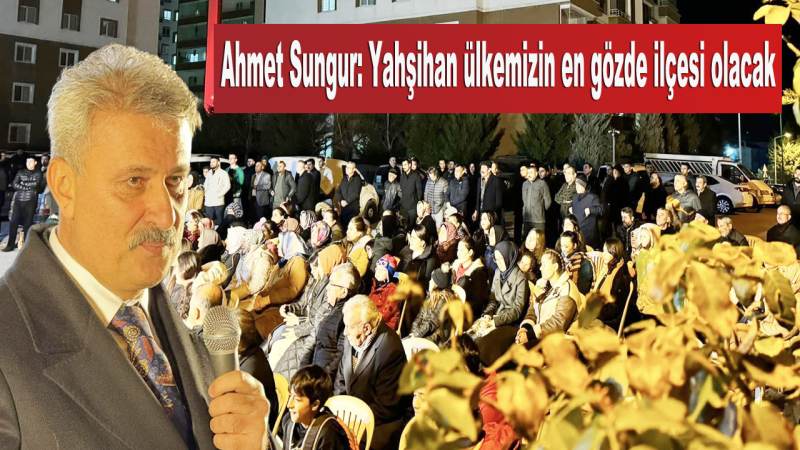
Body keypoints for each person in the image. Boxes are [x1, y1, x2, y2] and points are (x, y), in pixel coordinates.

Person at [0, 44, 270, 449]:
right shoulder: (9, 355)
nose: (167, 214)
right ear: (64, 186)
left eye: (175, 181)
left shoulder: (178, 324)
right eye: (134, 181)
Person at [335, 295, 408, 450]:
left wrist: (353, 422)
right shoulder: (352, 337)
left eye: (349, 327)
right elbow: (340, 381)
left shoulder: (390, 349)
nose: (345, 332)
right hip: (352, 415)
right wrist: (339, 414)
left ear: (366, 329)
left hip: (378, 423)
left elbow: (386, 407)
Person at [278, 365, 355, 450]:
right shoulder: (288, 421)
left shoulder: (328, 434)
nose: (289, 405)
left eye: (297, 400)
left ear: (315, 405)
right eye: (290, 396)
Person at [516, 249, 580, 347]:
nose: (540, 268)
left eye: (544, 265)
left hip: (560, 343)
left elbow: (559, 323)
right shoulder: (542, 285)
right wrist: (525, 328)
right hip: (541, 337)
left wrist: (530, 335)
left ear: (555, 267)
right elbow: (532, 311)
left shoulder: (567, 289)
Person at [594, 238, 636, 332]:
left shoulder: (621, 276)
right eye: (603, 251)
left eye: (606, 252)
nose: (603, 255)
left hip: (609, 321)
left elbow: (615, 309)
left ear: (614, 253)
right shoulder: (608, 267)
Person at [3, 157, 44, 251]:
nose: (29, 163)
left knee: (27, 223)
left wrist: (22, 184)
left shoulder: (38, 173)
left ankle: (26, 246)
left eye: (31, 161)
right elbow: (14, 184)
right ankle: (10, 245)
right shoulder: (20, 172)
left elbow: (36, 184)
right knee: (13, 222)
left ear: (35, 163)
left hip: (31, 201)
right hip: (18, 200)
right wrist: (28, 187)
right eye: (27, 161)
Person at [369, 255, 401, 330]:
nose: (378, 272)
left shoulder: (393, 290)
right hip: (372, 318)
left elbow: (387, 313)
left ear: (388, 274)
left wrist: (371, 319)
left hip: (385, 325)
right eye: (377, 269)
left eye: (382, 270)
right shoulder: (375, 284)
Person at [571, 178, 603, 250]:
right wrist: (570, 208)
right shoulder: (575, 197)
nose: (576, 187)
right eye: (576, 185)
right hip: (577, 231)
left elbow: (601, 210)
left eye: (578, 185)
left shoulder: (592, 197)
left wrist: (591, 210)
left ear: (584, 186)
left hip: (589, 233)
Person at [521, 162, 552, 238]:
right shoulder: (524, 184)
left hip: (538, 220)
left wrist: (540, 210)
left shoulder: (542, 184)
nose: (529, 175)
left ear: (536, 173)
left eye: (531, 172)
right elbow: (524, 199)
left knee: (539, 240)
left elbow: (548, 201)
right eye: (528, 173)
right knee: (527, 240)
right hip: (527, 219)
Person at [203, 157, 230, 227]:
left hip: (218, 202)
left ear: (218, 163)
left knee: (219, 222)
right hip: (208, 202)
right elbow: (205, 184)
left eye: (213, 162)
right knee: (208, 222)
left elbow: (227, 186)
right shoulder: (209, 173)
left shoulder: (223, 173)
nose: (211, 163)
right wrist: (205, 193)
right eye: (211, 162)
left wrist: (219, 195)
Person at [337, 162, 363, 228]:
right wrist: (341, 200)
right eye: (346, 167)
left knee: (350, 228)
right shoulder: (344, 178)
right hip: (343, 208)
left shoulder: (357, 179)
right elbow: (338, 191)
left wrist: (347, 201)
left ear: (353, 170)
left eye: (349, 168)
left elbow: (356, 194)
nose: (346, 169)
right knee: (342, 227)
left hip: (352, 209)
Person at [399, 159, 423, 225]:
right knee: (403, 225)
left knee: (412, 225)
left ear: (409, 165)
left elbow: (419, 191)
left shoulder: (416, 176)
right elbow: (401, 189)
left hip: (412, 207)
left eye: (405, 165)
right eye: (402, 165)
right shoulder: (402, 176)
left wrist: (417, 203)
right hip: (403, 206)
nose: (403, 167)